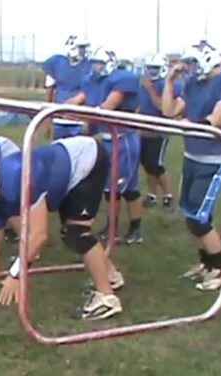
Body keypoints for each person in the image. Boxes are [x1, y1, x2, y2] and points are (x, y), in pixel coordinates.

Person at [0, 135, 124, 320]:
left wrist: (15, 274)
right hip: (63, 164)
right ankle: (110, 275)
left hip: (87, 158)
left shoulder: (19, 179)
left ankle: (107, 298)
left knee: (76, 234)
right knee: (72, 233)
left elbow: (39, 235)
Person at [161, 41, 221, 291]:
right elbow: (169, 111)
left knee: (198, 219)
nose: (189, 69)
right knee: (193, 214)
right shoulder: (193, 84)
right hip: (193, 156)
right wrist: (170, 82)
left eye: (192, 62)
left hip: (215, 158)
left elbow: (215, 120)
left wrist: (188, 122)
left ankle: (220, 270)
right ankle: (206, 264)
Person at [66, 46, 144, 245]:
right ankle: (115, 227)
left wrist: (80, 115)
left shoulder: (121, 80)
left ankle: (130, 229)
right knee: (115, 188)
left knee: (121, 189)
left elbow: (107, 107)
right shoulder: (93, 81)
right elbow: (79, 99)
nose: (96, 67)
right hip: (108, 138)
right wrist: (61, 108)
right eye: (95, 63)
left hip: (124, 139)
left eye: (100, 63)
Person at [138, 53, 180, 211]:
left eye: (155, 68)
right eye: (150, 68)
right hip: (144, 129)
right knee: (147, 163)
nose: (152, 71)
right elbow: (141, 105)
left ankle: (168, 195)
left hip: (160, 130)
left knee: (156, 164)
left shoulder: (166, 84)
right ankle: (152, 194)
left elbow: (162, 108)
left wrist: (150, 90)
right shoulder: (144, 83)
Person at [42, 35, 92, 140]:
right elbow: (49, 91)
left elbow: (91, 93)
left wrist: (88, 120)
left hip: (79, 120)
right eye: (81, 47)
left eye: (84, 47)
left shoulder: (89, 66)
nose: (83, 51)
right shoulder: (57, 63)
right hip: (59, 119)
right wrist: (47, 119)